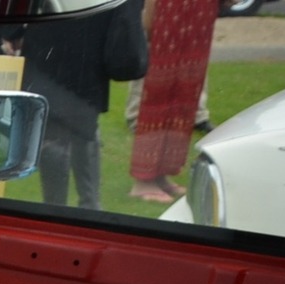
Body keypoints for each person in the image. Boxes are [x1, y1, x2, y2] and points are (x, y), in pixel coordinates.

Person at [22, 0, 148, 210]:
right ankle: (78, 209)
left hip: (63, 38)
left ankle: (64, 211)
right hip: (77, 39)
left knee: (64, 133)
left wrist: (12, 32)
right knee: (73, 130)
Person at [127, 0, 216, 202]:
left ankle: (161, 175)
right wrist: (149, 24)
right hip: (167, 17)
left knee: (184, 98)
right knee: (158, 96)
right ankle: (143, 181)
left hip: (197, 18)